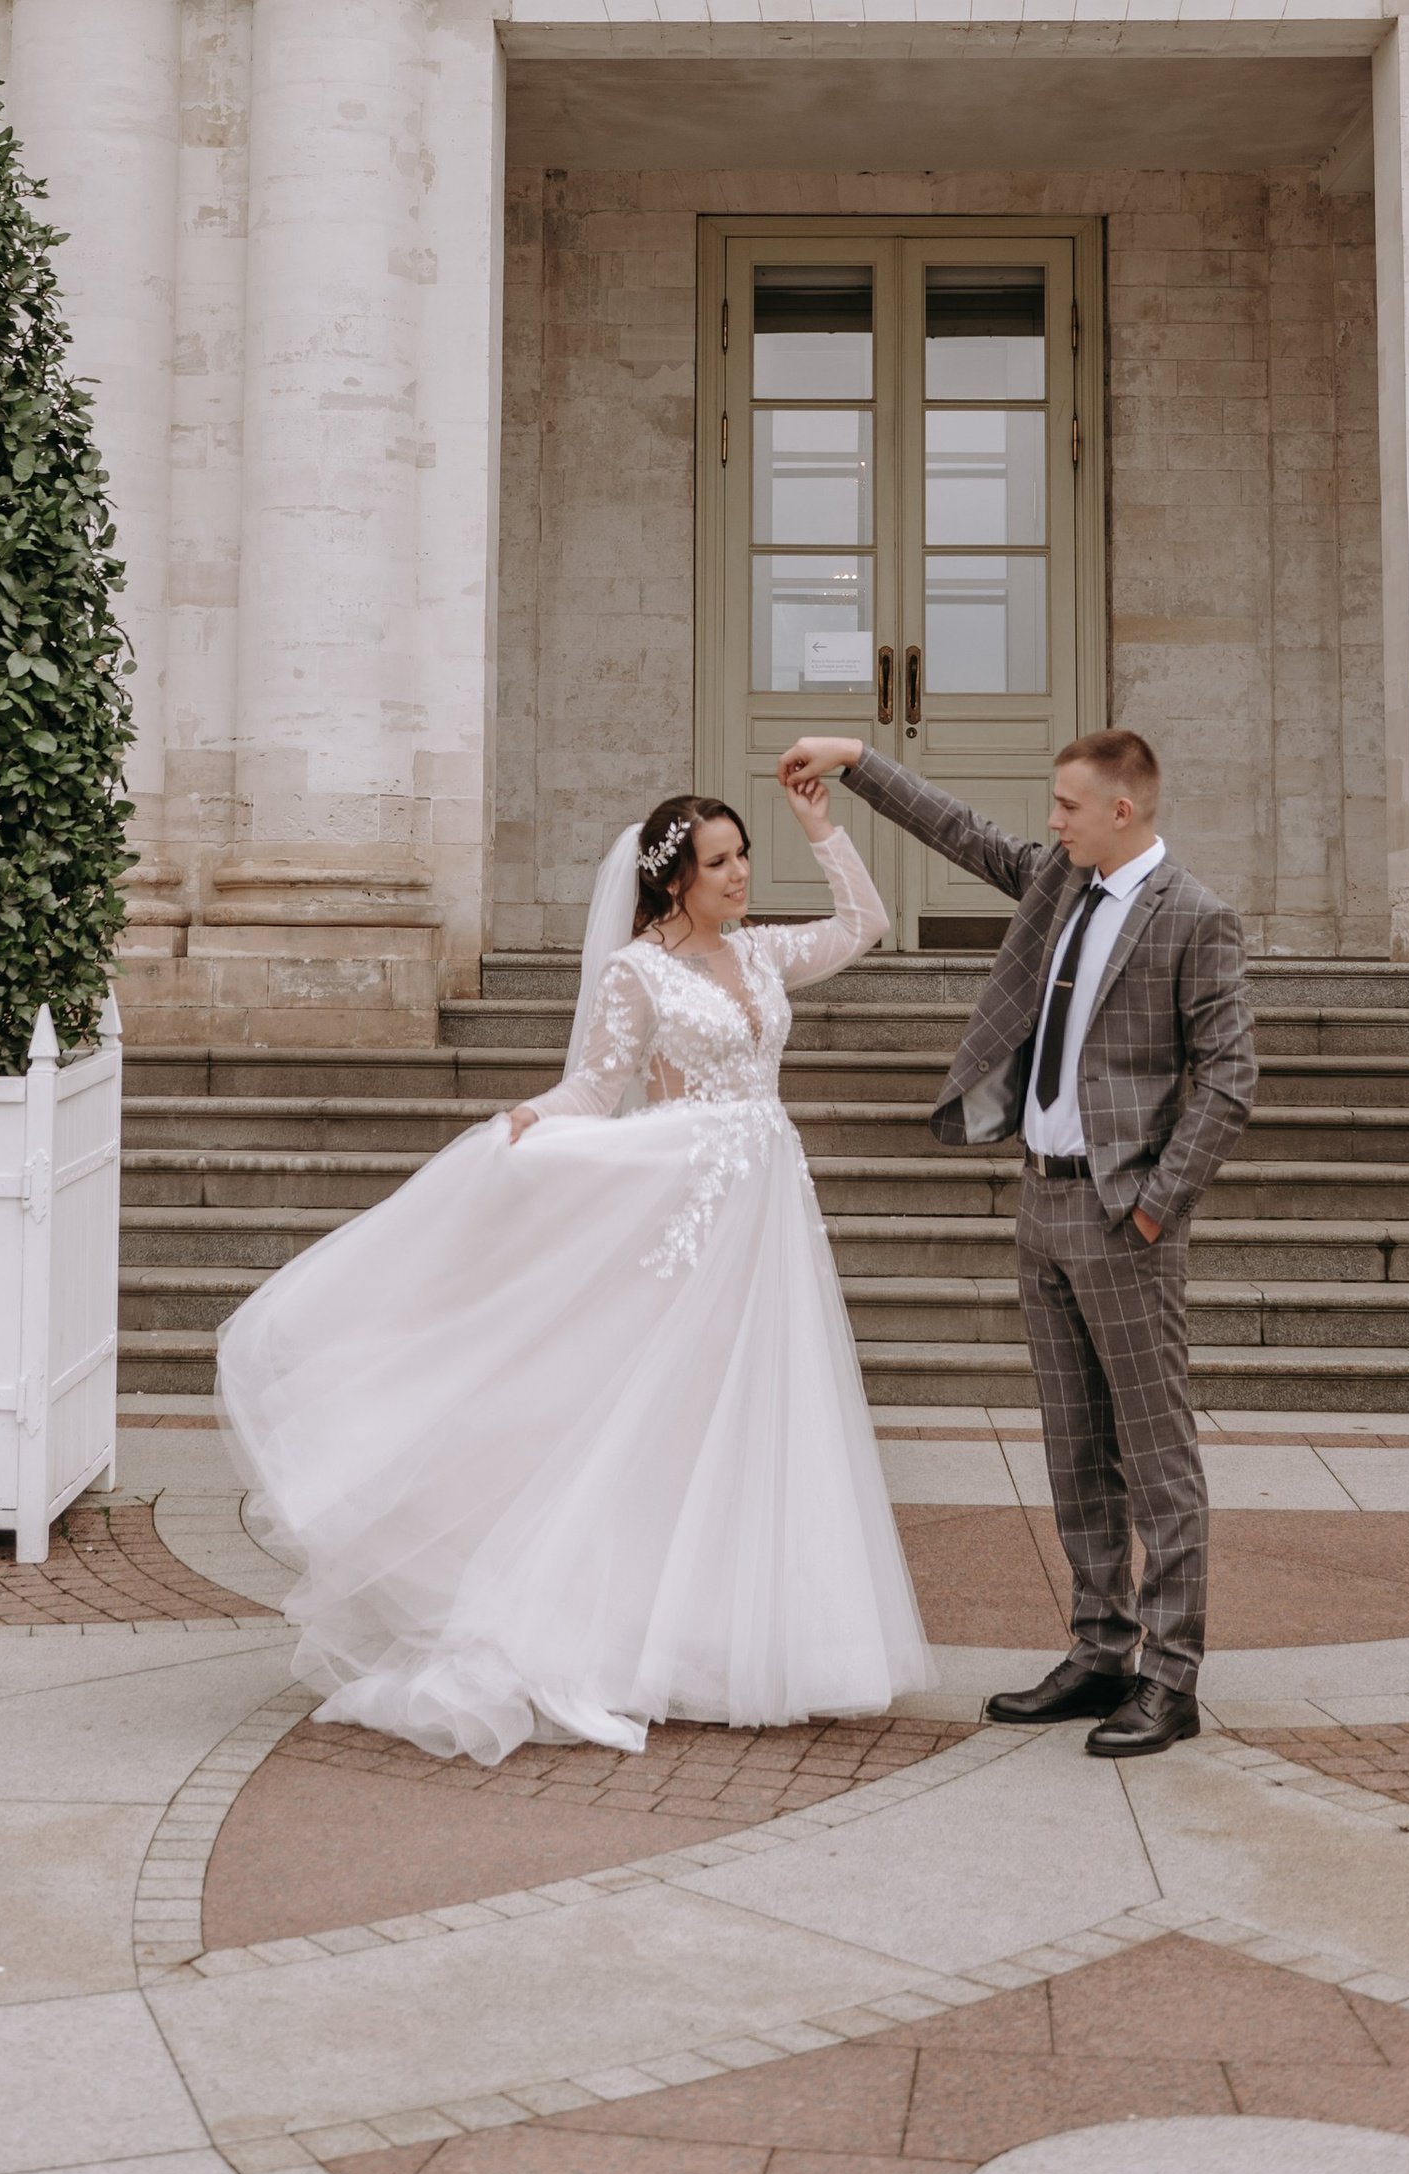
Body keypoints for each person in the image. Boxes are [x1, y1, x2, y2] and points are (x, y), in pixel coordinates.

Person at [214, 766, 933, 1765]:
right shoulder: (636, 972)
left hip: (765, 1211)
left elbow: (863, 922)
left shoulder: (762, 954)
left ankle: (736, 1634)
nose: (739, 875)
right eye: (719, 862)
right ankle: (631, 1629)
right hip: (683, 1205)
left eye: (742, 856)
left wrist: (819, 828)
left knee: (758, 1410)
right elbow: (596, 1088)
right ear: (673, 879)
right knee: (666, 1411)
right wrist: (528, 1122)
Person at [778, 727, 1253, 1756]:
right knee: (1074, 1445)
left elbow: (1227, 1078)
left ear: (1120, 812)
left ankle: (1169, 1680)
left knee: (1155, 1454)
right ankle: (1098, 1651)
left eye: (1067, 806)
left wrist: (1155, 1205)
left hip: (1123, 1215)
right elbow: (958, 830)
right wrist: (856, 761)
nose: (1050, 820)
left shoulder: (1194, 919)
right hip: (1039, 1203)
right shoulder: (1057, 885)